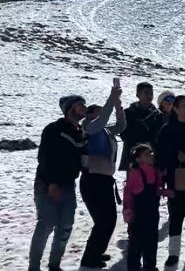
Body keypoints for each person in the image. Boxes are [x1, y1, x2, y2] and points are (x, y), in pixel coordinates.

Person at [28, 95, 88, 271]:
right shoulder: (54, 129)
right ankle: (34, 267)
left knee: (66, 225)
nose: (84, 107)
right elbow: (46, 158)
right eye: (79, 105)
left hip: (68, 185)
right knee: (46, 223)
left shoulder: (80, 132)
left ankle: (54, 265)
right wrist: (52, 183)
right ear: (69, 108)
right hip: (47, 184)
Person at [80, 87, 126, 268]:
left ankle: (96, 252)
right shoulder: (89, 127)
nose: (102, 115)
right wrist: (112, 97)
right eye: (98, 112)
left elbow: (121, 126)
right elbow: (102, 121)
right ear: (90, 114)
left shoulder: (105, 131)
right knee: (103, 220)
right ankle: (89, 257)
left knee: (109, 220)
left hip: (105, 180)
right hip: (93, 180)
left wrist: (118, 107)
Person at [156, 95, 185, 267]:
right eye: (184, 105)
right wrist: (175, 155)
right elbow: (160, 156)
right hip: (175, 178)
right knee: (176, 215)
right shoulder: (167, 129)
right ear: (175, 109)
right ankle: (173, 253)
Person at [123, 143, 162, 271]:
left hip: (152, 212)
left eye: (151, 153)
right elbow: (128, 192)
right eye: (147, 154)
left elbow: (156, 190)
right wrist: (127, 208)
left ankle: (150, 266)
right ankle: (133, 266)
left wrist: (166, 192)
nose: (151, 155)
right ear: (138, 159)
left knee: (152, 241)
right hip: (138, 213)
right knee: (136, 241)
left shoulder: (155, 171)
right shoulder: (135, 173)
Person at [119, 82, 160, 171]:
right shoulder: (128, 113)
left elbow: (158, 136)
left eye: (151, 93)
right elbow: (123, 133)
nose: (149, 96)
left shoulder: (157, 115)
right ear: (138, 94)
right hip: (132, 155)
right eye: (146, 92)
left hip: (150, 155)